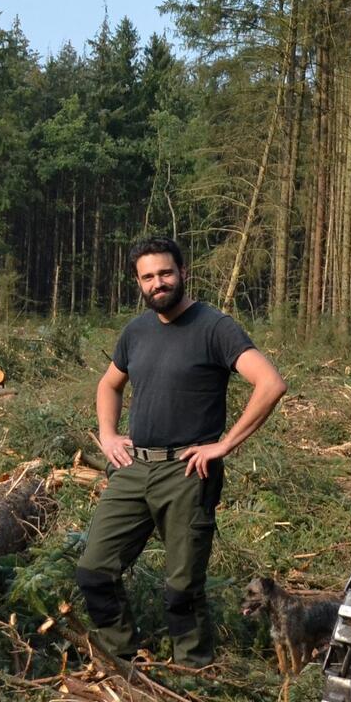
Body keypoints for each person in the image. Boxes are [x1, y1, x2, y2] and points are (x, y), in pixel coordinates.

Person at [74, 237, 287, 669]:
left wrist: (225, 444)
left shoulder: (215, 327)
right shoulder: (136, 331)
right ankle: (124, 660)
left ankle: (194, 675)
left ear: (183, 273)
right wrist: (108, 435)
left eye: (166, 273)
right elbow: (108, 384)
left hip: (188, 475)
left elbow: (270, 383)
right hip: (134, 470)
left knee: (182, 589)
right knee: (94, 569)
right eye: (148, 276)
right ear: (138, 282)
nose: (158, 283)